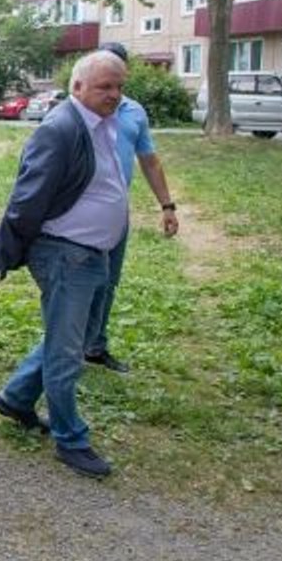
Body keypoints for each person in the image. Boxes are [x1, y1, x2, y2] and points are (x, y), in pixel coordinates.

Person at [0, 50, 131, 480]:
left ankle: (15, 398)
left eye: (119, 86)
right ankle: (70, 438)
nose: (114, 94)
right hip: (66, 254)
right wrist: (12, 251)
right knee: (67, 350)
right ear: (78, 87)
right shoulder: (62, 127)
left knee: (73, 336)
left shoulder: (102, 122)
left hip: (91, 252)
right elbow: (27, 199)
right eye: (105, 86)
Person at [84, 42, 180, 374]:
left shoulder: (134, 113)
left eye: (117, 78)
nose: (110, 87)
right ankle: (66, 347)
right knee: (81, 283)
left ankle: (94, 346)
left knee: (108, 281)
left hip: (116, 214)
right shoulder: (79, 110)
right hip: (80, 216)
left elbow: (149, 161)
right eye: (103, 77)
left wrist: (167, 205)